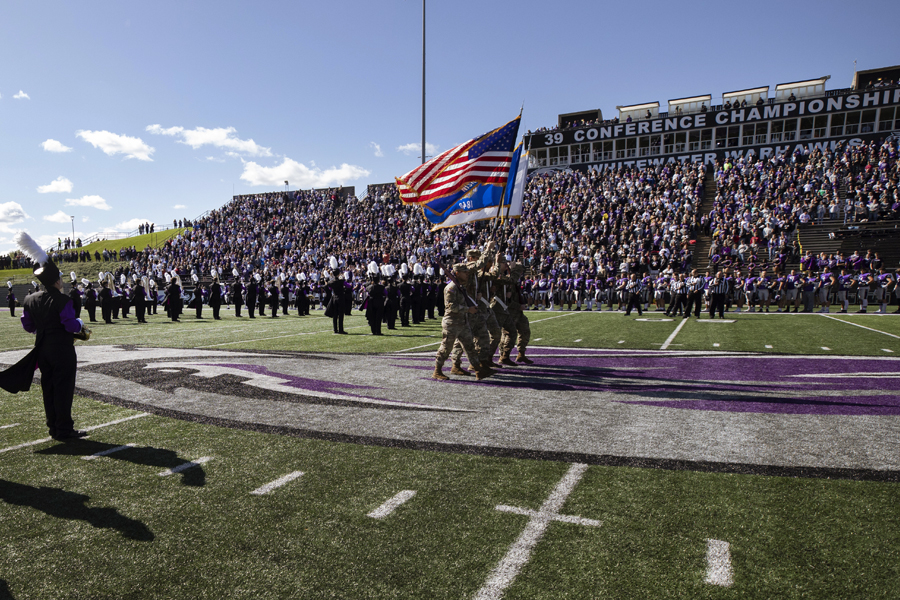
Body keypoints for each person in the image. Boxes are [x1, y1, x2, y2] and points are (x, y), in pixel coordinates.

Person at [1, 232, 88, 441]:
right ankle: (65, 429)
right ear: (57, 281)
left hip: (43, 349)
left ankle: (53, 428)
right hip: (62, 350)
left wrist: (43, 331)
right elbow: (70, 325)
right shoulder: (63, 300)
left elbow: (27, 324)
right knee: (63, 389)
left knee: (48, 388)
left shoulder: (30, 299)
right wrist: (80, 324)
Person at [433, 263, 492, 381]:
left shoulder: (462, 287)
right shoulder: (451, 288)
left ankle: (478, 370)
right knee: (446, 348)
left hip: (462, 321)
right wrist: (467, 309)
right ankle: (437, 370)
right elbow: (451, 307)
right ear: (457, 273)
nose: (467, 274)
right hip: (452, 323)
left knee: (470, 347)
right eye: (464, 272)